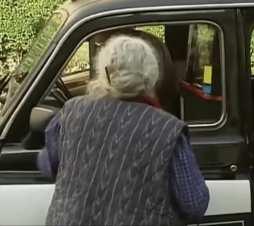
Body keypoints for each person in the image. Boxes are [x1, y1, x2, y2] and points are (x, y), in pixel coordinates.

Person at [37, 32, 209, 226]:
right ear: (152, 76)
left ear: (104, 73)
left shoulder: (71, 111)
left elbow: (48, 164)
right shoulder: (168, 130)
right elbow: (194, 204)